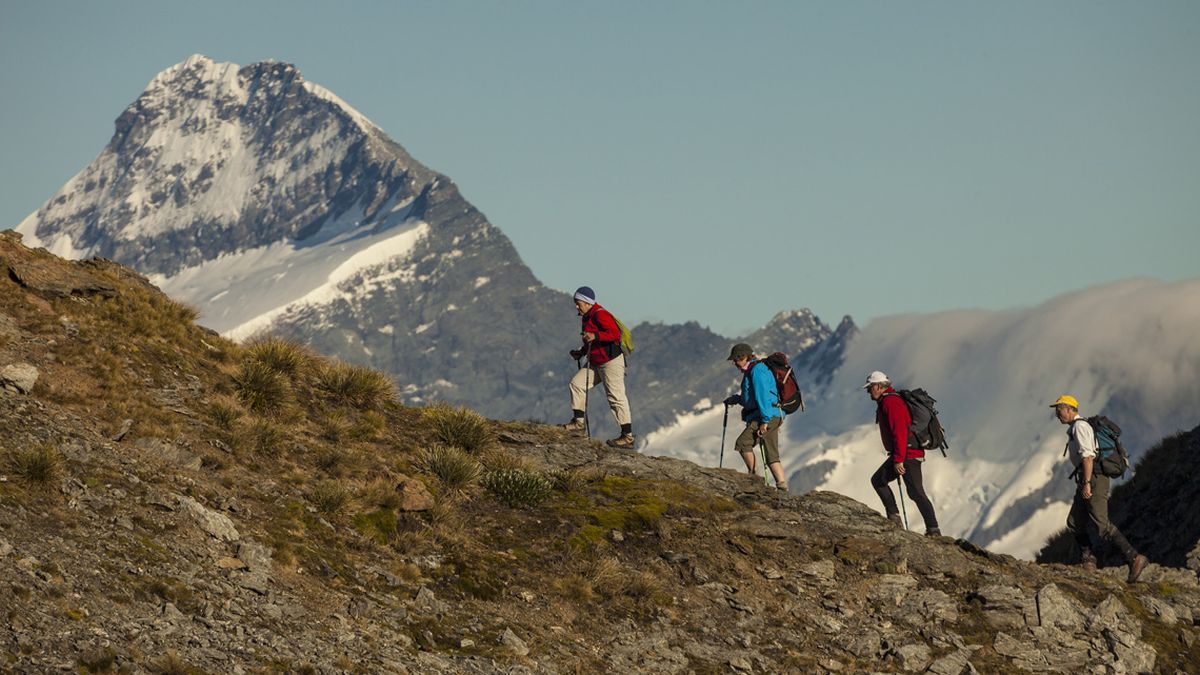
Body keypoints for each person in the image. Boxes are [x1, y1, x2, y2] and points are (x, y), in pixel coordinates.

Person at [1050, 394, 1148, 582]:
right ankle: (1088, 561)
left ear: (1070, 409)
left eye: (1059, 409)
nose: (1057, 414)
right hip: (1086, 478)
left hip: (1094, 478)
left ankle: (1134, 558)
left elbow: (1088, 457)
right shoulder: (1075, 429)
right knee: (1075, 522)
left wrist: (1087, 483)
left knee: (1101, 525)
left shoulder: (1080, 427)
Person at [863, 371, 941, 536]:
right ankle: (896, 518)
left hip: (907, 454)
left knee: (916, 492)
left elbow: (900, 432)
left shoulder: (890, 403)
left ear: (878, 386)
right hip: (905, 453)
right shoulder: (889, 400)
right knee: (881, 481)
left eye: (870, 388)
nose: (868, 391)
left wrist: (898, 460)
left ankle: (932, 529)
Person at [559, 286, 635, 449]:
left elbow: (615, 334)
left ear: (587, 303)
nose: (576, 306)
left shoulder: (600, 314)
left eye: (578, 302)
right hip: (596, 360)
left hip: (611, 362)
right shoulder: (586, 317)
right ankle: (578, 424)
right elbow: (590, 340)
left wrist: (596, 335)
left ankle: (627, 436)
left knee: (615, 396)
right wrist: (581, 352)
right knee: (576, 384)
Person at [722, 343, 788, 490]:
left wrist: (765, 421)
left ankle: (754, 479)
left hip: (766, 414)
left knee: (743, 443)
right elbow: (750, 398)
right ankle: (782, 487)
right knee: (770, 452)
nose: (734, 363)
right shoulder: (754, 369)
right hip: (774, 413)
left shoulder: (757, 371)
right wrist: (736, 399)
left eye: (736, 359)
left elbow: (762, 396)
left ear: (744, 357)